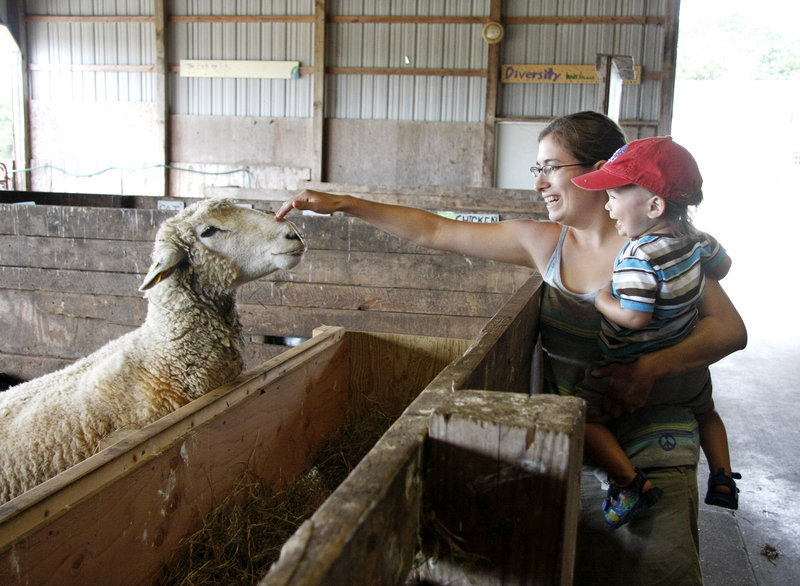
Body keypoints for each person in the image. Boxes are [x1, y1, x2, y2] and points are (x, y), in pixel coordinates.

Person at [275, 111, 747, 585]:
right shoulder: (543, 242)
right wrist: (344, 204)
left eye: (550, 167)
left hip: (658, 442)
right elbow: (433, 231)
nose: (539, 183)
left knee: (657, 573)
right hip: (578, 444)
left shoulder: (666, 247)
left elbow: (729, 329)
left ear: (599, 169)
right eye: (535, 170)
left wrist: (647, 368)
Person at [569, 136, 741, 531]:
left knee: (582, 419)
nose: (608, 205)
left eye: (613, 196)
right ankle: (722, 476)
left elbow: (635, 318)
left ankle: (630, 485)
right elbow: (725, 266)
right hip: (685, 370)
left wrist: (602, 300)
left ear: (654, 206)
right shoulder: (698, 240)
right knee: (707, 412)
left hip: (626, 367)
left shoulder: (636, 255)